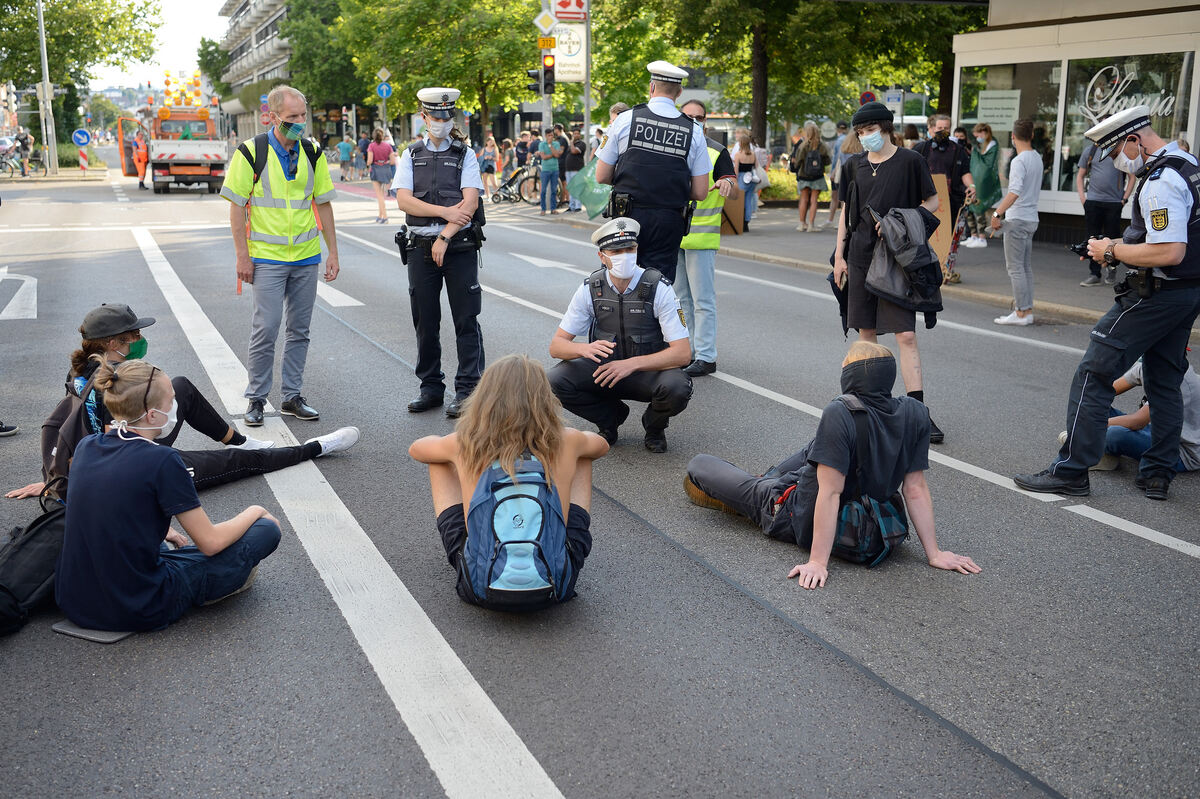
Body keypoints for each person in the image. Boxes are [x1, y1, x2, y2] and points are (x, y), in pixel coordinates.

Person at [1014, 105, 1200, 501]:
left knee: (1093, 374)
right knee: (1165, 380)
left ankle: (1071, 470)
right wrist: (1112, 249)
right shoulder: (1186, 163)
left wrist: (1112, 247)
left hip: (1157, 293)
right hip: (1186, 293)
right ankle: (1157, 472)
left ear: (1134, 140)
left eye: (1115, 152)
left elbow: (1169, 251)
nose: (1116, 162)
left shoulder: (1159, 181)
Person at [684, 342, 980, 589]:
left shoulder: (841, 411)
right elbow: (915, 489)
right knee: (816, 447)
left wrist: (817, 561)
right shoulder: (915, 413)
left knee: (700, 465)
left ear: (852, 374)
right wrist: (935, 553)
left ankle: (758, 490)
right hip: (866, 510)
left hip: (789, 511)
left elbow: (829, 494)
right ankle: (769, 479)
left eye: (845, 363)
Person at [6, 303, 359, 501]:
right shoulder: (97, 386)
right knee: (240, 463)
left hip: (128, 443)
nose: (141, 339)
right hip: (130, 469)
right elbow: (78, 434)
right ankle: (318, 447)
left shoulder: (91, 371)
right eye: (135, 335)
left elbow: (60, 430)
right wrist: (60, 483)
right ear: (114, 343)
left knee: (182, 387)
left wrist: (56, 477)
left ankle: (240, 438)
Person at [54, 359, 284, 633]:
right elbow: (210, 542)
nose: (175, 408)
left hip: (75, 602)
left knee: (169, 546)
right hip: (139, 607)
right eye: (171, 401)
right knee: (266, 529)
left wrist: (163, 532)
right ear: (152, 415)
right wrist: (255, 510)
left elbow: (106, 507)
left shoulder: (87, 446)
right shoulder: (162, 460)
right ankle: (219, 583)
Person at [409, 354, 608, 609]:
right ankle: (554, 551)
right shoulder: (567, 440)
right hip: (556, 586)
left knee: (438, 460)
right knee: (583, 456)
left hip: (480, 588)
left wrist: (460, 451)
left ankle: (480, 551)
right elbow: (601, 446)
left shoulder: (464, 443)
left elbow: (417, 449)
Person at [222, 85, 340, 429]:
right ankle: (257, 398)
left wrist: (332, 252)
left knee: (299, 330)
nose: (300, 122)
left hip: (306, 256)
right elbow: (236, 208)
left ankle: (291, 396)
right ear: (273, 116)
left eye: (303, 115)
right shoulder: (250, 152)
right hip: (267, 258)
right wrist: (242, 257)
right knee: (266, 328)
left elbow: (324, 203)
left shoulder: (313, 151)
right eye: (292, 117)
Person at [832, 101, 944, 445]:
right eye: (861, 133)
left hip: (897, 257)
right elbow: (846, 211)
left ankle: (917, 412)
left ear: (886, 128)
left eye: (871, 131)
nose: (866, 138)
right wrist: (839, 256)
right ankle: (871, 405)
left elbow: (932, 203)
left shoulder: (911, 161)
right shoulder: (854, 165)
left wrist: (900, 221)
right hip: (860, 255)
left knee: (905, 335)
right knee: (867, 335)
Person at [549, 217, 693, 453]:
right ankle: (610, 418)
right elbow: (556, 346)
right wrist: (583, 349)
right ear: (602, 256)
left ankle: (654, 426)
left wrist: (631, 364)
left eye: (630, 249)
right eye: (616, 251)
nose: (624, 256)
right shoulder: (591, 288)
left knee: (677, 387)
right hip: (605, 371)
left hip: (646, 371)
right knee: (553, 381)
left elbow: (682, 353)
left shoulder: (659, 288)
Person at [392, 87, 486, 420]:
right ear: (424, 117)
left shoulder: (465, 155)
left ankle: (468, 391)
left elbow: (470, 201)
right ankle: (431, 388)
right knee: (425, 321)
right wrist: (445, 212)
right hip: (419, 247)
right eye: (435, 117)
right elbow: (404, 201)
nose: (441, 123)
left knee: (466, 320)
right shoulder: (411, 154)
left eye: (447, 117)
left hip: (458, 247)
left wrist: (444, 235)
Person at [595, 61, 712, 282]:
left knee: (622, 282)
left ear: (651, 87)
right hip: (669, 221)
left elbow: (601, 175)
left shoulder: (625, 120)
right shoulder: (693, 131)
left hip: (627, 216)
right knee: (659, 287)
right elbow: (700, 192)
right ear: (679, 92)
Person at [676, 99, 736, 378]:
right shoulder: (672, 147)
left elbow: (733, 187)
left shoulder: (717, 151)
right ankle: (686, 352)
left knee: (702, 301)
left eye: (699, 117)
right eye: (689, 116)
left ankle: (706, 356)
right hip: (673, 234)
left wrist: (728, 185)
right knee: (680, 300)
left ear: (705, 122)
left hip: (701, 237)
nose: (694, 121)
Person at [1086, 359, 1200, 476]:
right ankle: (1100, 447)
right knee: (1093, 406)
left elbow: (1137, 421)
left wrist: (1091, 425)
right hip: (1157, 431)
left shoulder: (1176, 380)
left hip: (1179, 452)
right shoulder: (1151, 363)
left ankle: (1098, 449)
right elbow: (1105, 392)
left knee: (1114, 434)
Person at [989, 118, 1042, 326]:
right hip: (1031, 218)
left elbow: (1015, 191)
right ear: (1032, 135)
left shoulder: (1019, 161)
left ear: (1013, 136)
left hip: (1017, 218)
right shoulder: (1036, 157)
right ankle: (1026, 310)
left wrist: (997, 214)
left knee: (1016, 269)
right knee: (1025, 267)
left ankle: (1021, 312)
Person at [1076, 122, 1135, 286]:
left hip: (1114, 203)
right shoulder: (1091, 151)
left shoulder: (1119, 152)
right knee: (1091, 239)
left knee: (1113, 237)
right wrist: (1083, 198)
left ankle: (1112, 268)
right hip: (1093, 202)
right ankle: (1094, 274)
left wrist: (1124, 199)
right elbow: (1080, 175)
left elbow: (1132, 177)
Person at [912, 113, 976, 248]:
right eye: (939, 127)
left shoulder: (958, 150)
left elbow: (965, 172)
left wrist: (971, 185)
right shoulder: (921, 149)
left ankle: (943, 265)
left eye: (946, 128)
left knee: (947, 236)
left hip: (950, 201)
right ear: (933, 128)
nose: (942, 131)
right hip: (925, 200)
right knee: (924, 236)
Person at [962, 123, 1001, 249]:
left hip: (984, 182)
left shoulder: (992, 145)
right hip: (977, 180)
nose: (977, 137)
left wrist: (975, 154)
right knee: (971, 207)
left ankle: (982, 237)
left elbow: (987, 163)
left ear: (985, 132)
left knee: (979, 208)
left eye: (978, 134)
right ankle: (974, 235)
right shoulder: (982, 145)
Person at [791, 121, 831, 232]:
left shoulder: (803, 145)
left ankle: (802, 224)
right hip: (817, 176)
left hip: (804, 175)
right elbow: (827, 161)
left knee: (803, 199)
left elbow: (798, 162)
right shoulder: (822, 146)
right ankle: (811, 225)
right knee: (814, 200)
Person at [366, 128, 395, 223]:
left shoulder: (371, 146)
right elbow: (393, 161)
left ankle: (385, 217)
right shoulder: (388, 146)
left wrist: (368, 163)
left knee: (379, 196)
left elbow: (369, 161)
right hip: (386, 170)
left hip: (375, 170)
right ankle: (380, 215)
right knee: (382, 194)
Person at [734, 131, 759, 231]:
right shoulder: (753, 154)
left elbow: (736, 170)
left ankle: (741, 221)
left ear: (741, 143)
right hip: (751, 177)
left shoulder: (738, 155)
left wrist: (734, 181)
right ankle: (746, 222)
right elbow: (757, 167)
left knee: (741, 202)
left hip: (742, 177)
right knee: (749, 200)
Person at [827, 121, 849, 227]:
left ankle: (832, 220)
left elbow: (837, 158)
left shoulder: (839, 140)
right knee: (842, 197)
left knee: (836, 196)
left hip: (838, 171)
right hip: (845, 171)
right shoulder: (850, 139)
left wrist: (833, 172)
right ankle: (840, 221)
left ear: (837, 129)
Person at [538, 127, 562, 215]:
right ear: (545, 136)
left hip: (555, 169)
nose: (550, 137)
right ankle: (543, 209)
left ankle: (553, 209)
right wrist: (553, 154)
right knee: (543, 190)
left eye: (552, 135)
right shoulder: (541, 144)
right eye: (548, 136)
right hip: (545, 170)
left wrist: (550, 146)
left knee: (554, 190)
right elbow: (543, 157)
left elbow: (557, 155)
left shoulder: (556, 144)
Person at [564, 130, 586, 212]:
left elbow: (574, 151)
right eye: (574, 133)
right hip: (568, 170)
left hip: (577, 170)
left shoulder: (581, 144)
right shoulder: (572, 144)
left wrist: (571, 142)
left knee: (577, 189)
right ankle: (571, 206)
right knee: (571, 189)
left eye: (577, 133)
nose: (576, 135)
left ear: (580, 135)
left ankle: (578, 206)